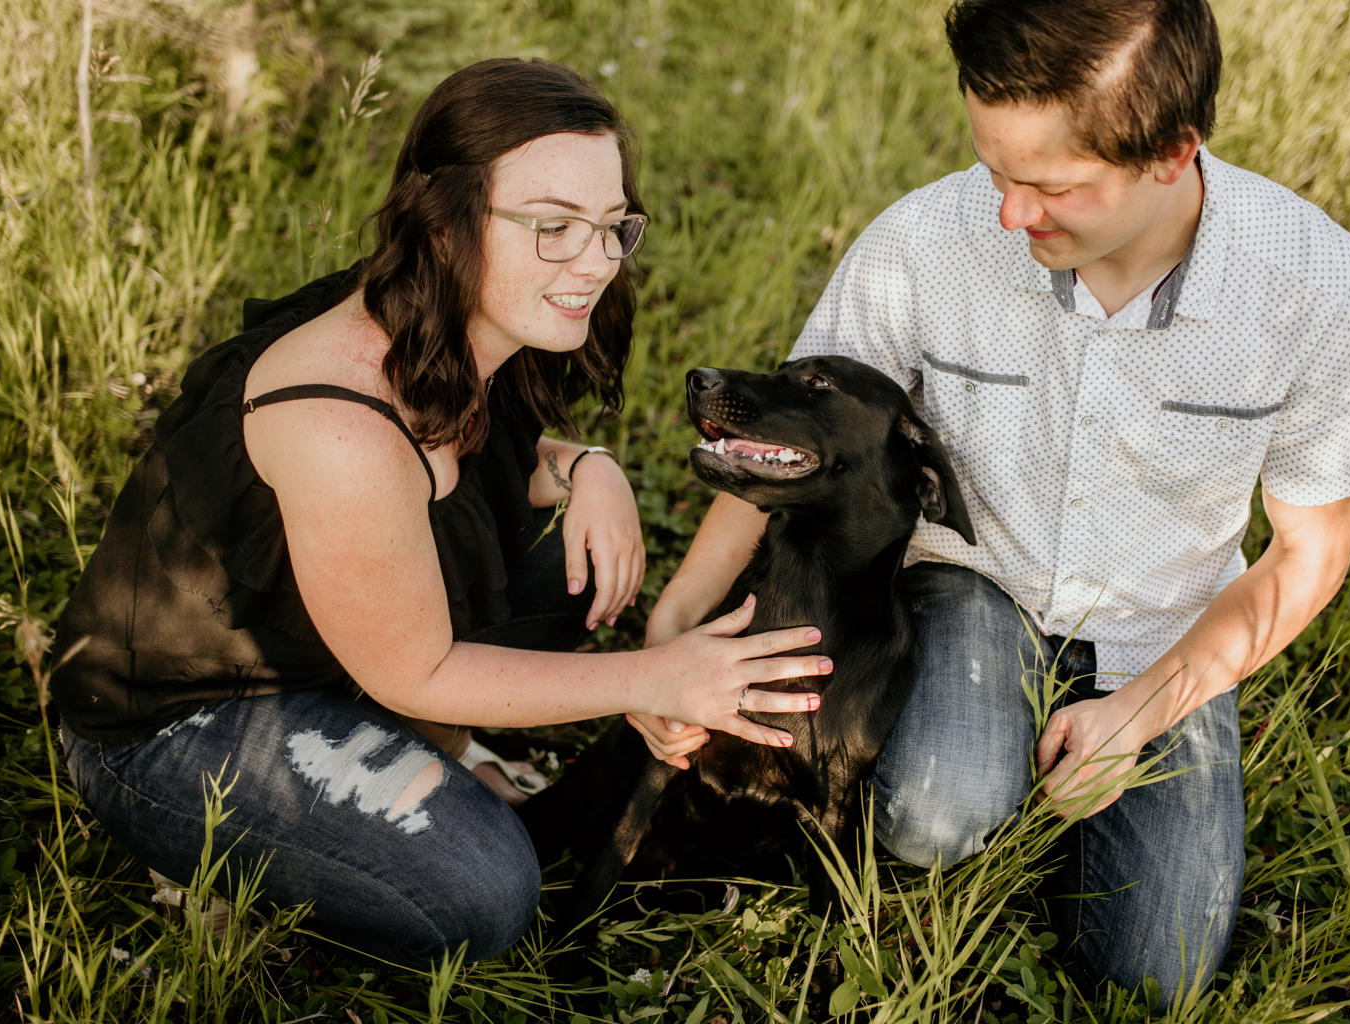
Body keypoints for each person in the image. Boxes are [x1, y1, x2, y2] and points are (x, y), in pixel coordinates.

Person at [642, 0, 1350, 1004]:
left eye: (1050, 186)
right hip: (971, 583)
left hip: (1164, 630)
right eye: (995, 170)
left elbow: (1308, 556)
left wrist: (1137, 713)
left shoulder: (1316, 287)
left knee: (1156, 979)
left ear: (1174, 152)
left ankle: (1071, 789)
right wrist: (680, 619)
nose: (1007, 213)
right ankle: (994, 785)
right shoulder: (921, 241)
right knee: (929, 815)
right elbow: (796, 443)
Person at [50, 58, 832, 967]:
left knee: (575, 575)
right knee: (486, 889)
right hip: (183, 724)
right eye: (553, 228)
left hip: (342, 648)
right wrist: (656, 678)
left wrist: (589, 466)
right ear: (448, 225)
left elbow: (486, 460)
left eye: (614, 225)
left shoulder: (459, 321)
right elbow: (415, 669)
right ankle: (235, 869)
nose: (597, 262)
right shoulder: (340, 420)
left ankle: (422, 764)